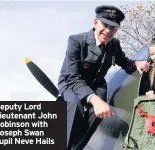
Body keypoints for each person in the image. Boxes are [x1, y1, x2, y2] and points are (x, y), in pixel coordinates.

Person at [57, 5, 150, 150]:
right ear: (96, 23)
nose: (108, 31)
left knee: (99, 114)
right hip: (72, 84)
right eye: (105, 25)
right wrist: (94, 99)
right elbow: (72, 76)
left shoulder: (114, 44)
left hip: (97, 86)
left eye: (113, 28)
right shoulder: (76, 41)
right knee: (75, 105)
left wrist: (136, 63)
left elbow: (123, 61)